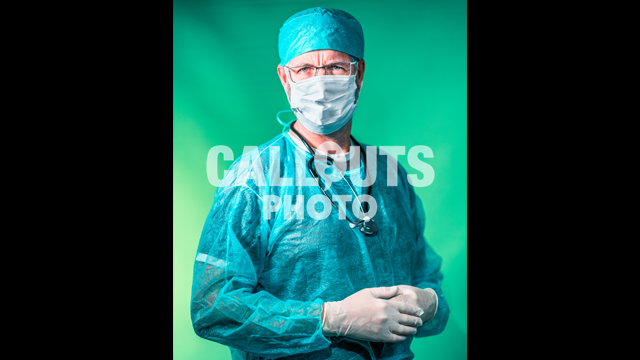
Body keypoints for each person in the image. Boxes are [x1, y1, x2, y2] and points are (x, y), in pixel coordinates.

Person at [190, 7, 449, 360]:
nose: (320, 81)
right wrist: (331, 318)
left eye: (335, 68)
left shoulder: (391, 175)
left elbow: (427, 278)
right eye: (305, 69)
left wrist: (430, 302)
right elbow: (213, 309)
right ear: (285, 78)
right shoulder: (254, 178)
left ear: (358, 75)